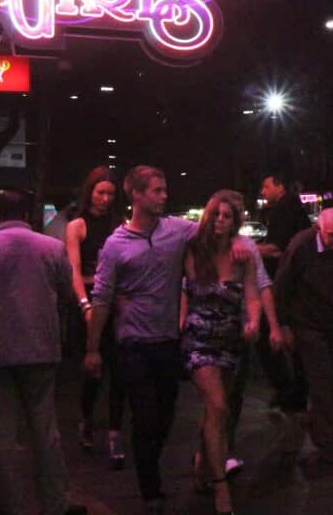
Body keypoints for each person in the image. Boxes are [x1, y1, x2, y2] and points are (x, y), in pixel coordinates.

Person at [84, 166, 256, 515]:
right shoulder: (115, 245)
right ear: (136, 195)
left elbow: (214, 231)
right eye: (158, 191)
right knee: (146, 417)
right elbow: (102, 298)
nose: (165, 196)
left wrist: (238, 240)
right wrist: (91, 349)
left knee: (164, 416)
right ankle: (151, 492)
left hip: (167, 341)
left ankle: (171, 467)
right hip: (133, 342)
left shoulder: (176, 231)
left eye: (165, 190)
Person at [0, 190, 88, 515]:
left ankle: (10, 505)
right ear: (27, 216)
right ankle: (55, 503)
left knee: (1, 438)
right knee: (45, 431)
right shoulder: (52, 249)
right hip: (41, 349)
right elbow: (66, 292)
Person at [180, 190, 282, 515]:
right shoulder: (194, 249)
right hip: (198, 338)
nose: (221, 220)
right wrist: (179, 324)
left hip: (229, 340)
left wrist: (255, 322)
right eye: (217, 215)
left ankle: (201, 464)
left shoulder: (243, 255)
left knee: (216, 411)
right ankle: (220, 488)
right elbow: (183, 290)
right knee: (220, 406)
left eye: (228, 216)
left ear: (235, 222)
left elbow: (253, 295)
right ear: (208, 218)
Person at [273, 208, 333, 468]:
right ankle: (329, 446)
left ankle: (316, 418)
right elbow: (282, 286)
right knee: (321, 381)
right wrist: (284, 325)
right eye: (331, 236)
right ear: (319, 230)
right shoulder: (301, 246)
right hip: (308, 322)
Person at [64, 166, 128, 468]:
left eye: (110, 194)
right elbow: (74, 271)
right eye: (100, 192)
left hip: (116, 302)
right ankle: (87, 418)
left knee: (120, 370)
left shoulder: (120, 224)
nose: (104, 198)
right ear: (89, 191)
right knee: (93, 371)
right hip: (90, 299)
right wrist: (84, 306)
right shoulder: (77, 225)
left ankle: (115, 433)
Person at [255, 173, 313, 411]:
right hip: (296, 284)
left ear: (279, 185)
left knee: (268, 335)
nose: (262, 191)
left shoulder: (283, 210)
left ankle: (289, 390)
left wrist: (249, 248)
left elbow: (276, 248)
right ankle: (295, 390)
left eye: (266, 186)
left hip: (284, 285)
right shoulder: (293, 208)